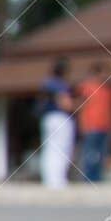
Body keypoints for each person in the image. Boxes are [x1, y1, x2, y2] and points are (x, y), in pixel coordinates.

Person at [75, 62, 111, 183]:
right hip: (91, 127)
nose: (106, 76)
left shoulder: (109, 90)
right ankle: (88, 179)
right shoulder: (86, 87)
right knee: (90, 154)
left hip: (106, 127)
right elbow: (80, 107)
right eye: (104, 73)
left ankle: (98, 179)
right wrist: (82, 125)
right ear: (97, 73)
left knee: (102, 155)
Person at [38, 59, 76, 189]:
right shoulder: (59, 84)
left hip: (47, 119)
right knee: (61, 149)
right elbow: (65, 103)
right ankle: (57, 180)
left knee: (50, 148)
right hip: (60, 118)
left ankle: (49, 179)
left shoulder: (46, 83)